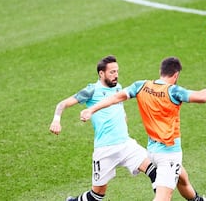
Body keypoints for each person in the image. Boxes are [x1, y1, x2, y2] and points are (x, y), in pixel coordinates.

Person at [80, 57, 206, 201]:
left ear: (161, 71)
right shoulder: (173, 91)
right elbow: (202, 97)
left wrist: (91, 109)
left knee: (182, 179)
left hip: (152, 151)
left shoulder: (141, 86)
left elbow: (115, 98)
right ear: (176, 74)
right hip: (169, 154)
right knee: (163, 197)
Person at [49, 55, 157, 201]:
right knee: (97, 195)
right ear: (101, 74)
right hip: (105, 149)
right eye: (112, 72)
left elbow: (120, 109)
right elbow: (62, 104)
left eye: (117, 71)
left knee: (155, 172)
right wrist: (56, 120)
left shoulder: (118, 88)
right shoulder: (91, 90)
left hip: (126, 145)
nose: (116, 75)